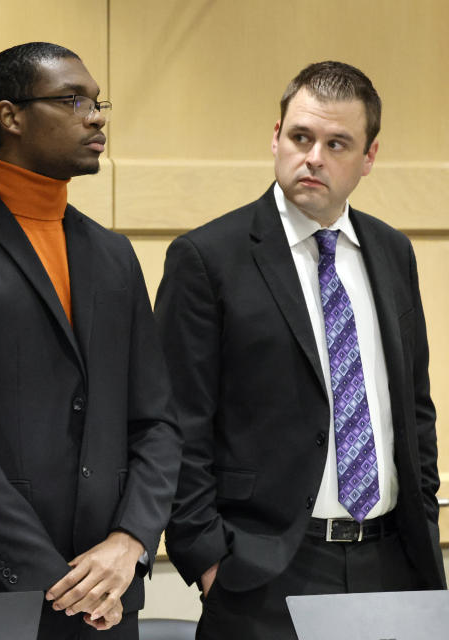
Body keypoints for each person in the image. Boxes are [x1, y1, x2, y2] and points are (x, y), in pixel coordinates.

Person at [0, 42, 181, 639]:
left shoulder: (114, 255)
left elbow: (156, 422)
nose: (96, 115)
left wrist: (129, 544)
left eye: (97, 102)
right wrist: (59, 581)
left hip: (111, 588)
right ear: (11, 116)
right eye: (72, 100)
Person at [155, 61, 445, 640]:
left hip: (392, 561)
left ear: (369, 158)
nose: (313, 157)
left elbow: (413, 405)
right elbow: (176, 426)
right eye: (300, 137)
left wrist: (426, 509)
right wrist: (211, 560)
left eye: (337, 144)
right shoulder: (208, 258)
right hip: (266, 570)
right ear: (275, 137)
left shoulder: (392, 252)